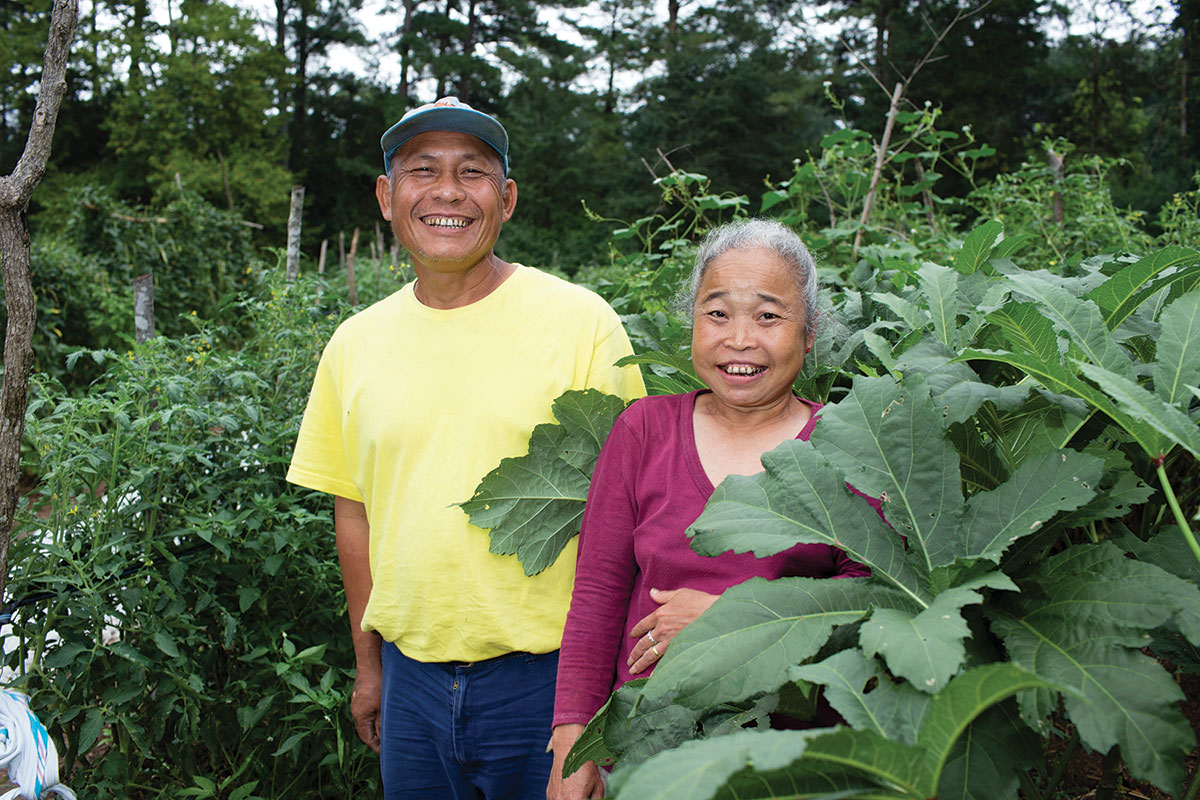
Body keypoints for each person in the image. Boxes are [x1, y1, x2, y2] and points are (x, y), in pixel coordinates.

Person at [287, 96, 645, 799]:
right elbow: (354, 515)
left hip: (548, 683)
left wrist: (599, 706)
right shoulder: (354, 344)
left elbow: (631, 517)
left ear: (505, 198)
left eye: (472, 172)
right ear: (388, 197)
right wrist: (370, 667)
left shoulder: (581, 324)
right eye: (423, 171)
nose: (447, 191)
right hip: (410, 683)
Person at [546, 218, 872, 800]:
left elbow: (875, 604)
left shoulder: (850, 443)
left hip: (795, 764)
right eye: (718, 313)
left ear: (811, 330)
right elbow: (597, 592)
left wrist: (733, 623)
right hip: (647, 756)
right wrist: (574, 741)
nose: (740, 339)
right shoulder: (643, 430)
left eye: (769, 316)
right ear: (693, 320)